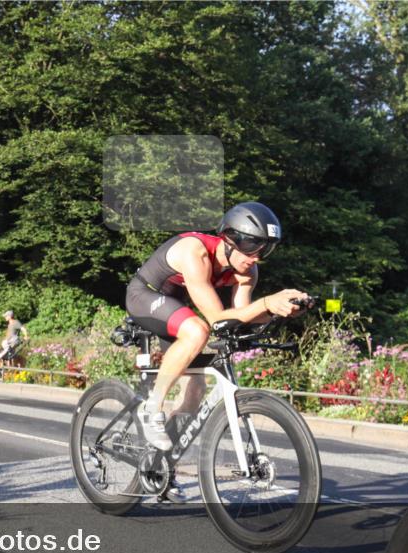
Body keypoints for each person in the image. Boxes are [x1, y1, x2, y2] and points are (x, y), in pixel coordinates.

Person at [125, 201, 309, 502]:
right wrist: (265, 303)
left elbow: (239, 318)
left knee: (195, 391)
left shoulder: (248, 272)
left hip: (176, 308)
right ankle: (151, 407)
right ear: (230, 239)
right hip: (145, 295)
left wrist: (282, 310)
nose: (255, 258)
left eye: (264, 250)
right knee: (198, 330)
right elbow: (216, 320)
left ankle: (160, 467)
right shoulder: (194, 252)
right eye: (251, 248)